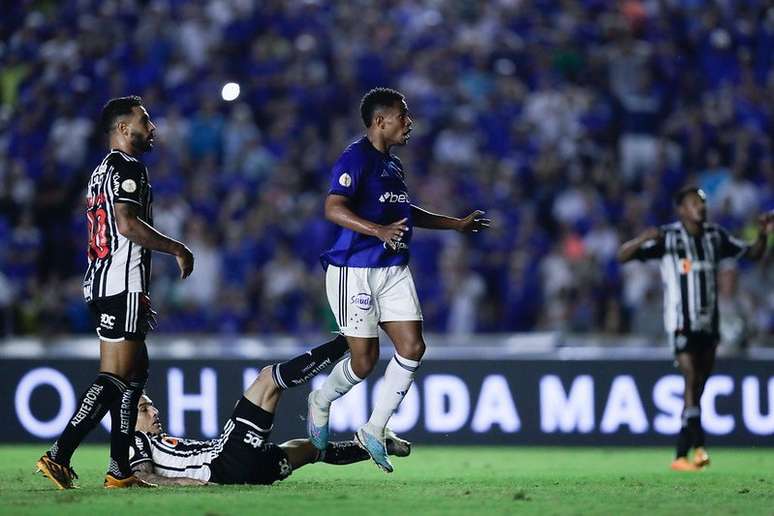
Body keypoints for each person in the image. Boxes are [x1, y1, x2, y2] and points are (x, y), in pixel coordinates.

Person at [308, 87, 490, 472]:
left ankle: (374, 429)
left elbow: (405, 212)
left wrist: (455, 224)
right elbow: (333, 207)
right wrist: (376, 230)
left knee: (412, 346)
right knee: (364, 362)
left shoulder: (393, 165)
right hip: (352, 271)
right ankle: (320, 401)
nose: (409, 123)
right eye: (402, 115)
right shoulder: (354, 158)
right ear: (379, 121)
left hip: (392, 269)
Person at [36, 96, 196, 489]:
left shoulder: (101, 170)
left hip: (108, 280)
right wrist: (177, 247)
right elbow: (125, 224)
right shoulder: (128, 167)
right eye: (146, 120)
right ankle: (59, 454)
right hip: (120, 282)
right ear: (124, 129)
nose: (153, 127)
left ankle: (119, 469)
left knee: (136, 372)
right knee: (116, 377)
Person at [617, 186, 772, 471]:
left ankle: (685, 453)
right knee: (690, 378)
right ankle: (694, 450)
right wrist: (642, 239)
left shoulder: (715, 236)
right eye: (693, 203)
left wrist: (763, 234)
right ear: (681, 209)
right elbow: (622, 256)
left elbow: (752, 254)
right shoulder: (670, 238)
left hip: (709, 324)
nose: (700, 207)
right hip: (681, 322)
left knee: (698, 387)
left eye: (702, 202)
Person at [128, 336, 410, 486]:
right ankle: (346, 342)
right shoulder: (134, 440)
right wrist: (190, 485)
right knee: (267, 379)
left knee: (311, 448)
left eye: (150, 405)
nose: (154, 412)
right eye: (143, 409)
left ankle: (379, 446)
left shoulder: (153, 440)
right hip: (225, 463)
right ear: (127, 420)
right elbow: (142, 476)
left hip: (249, 469)